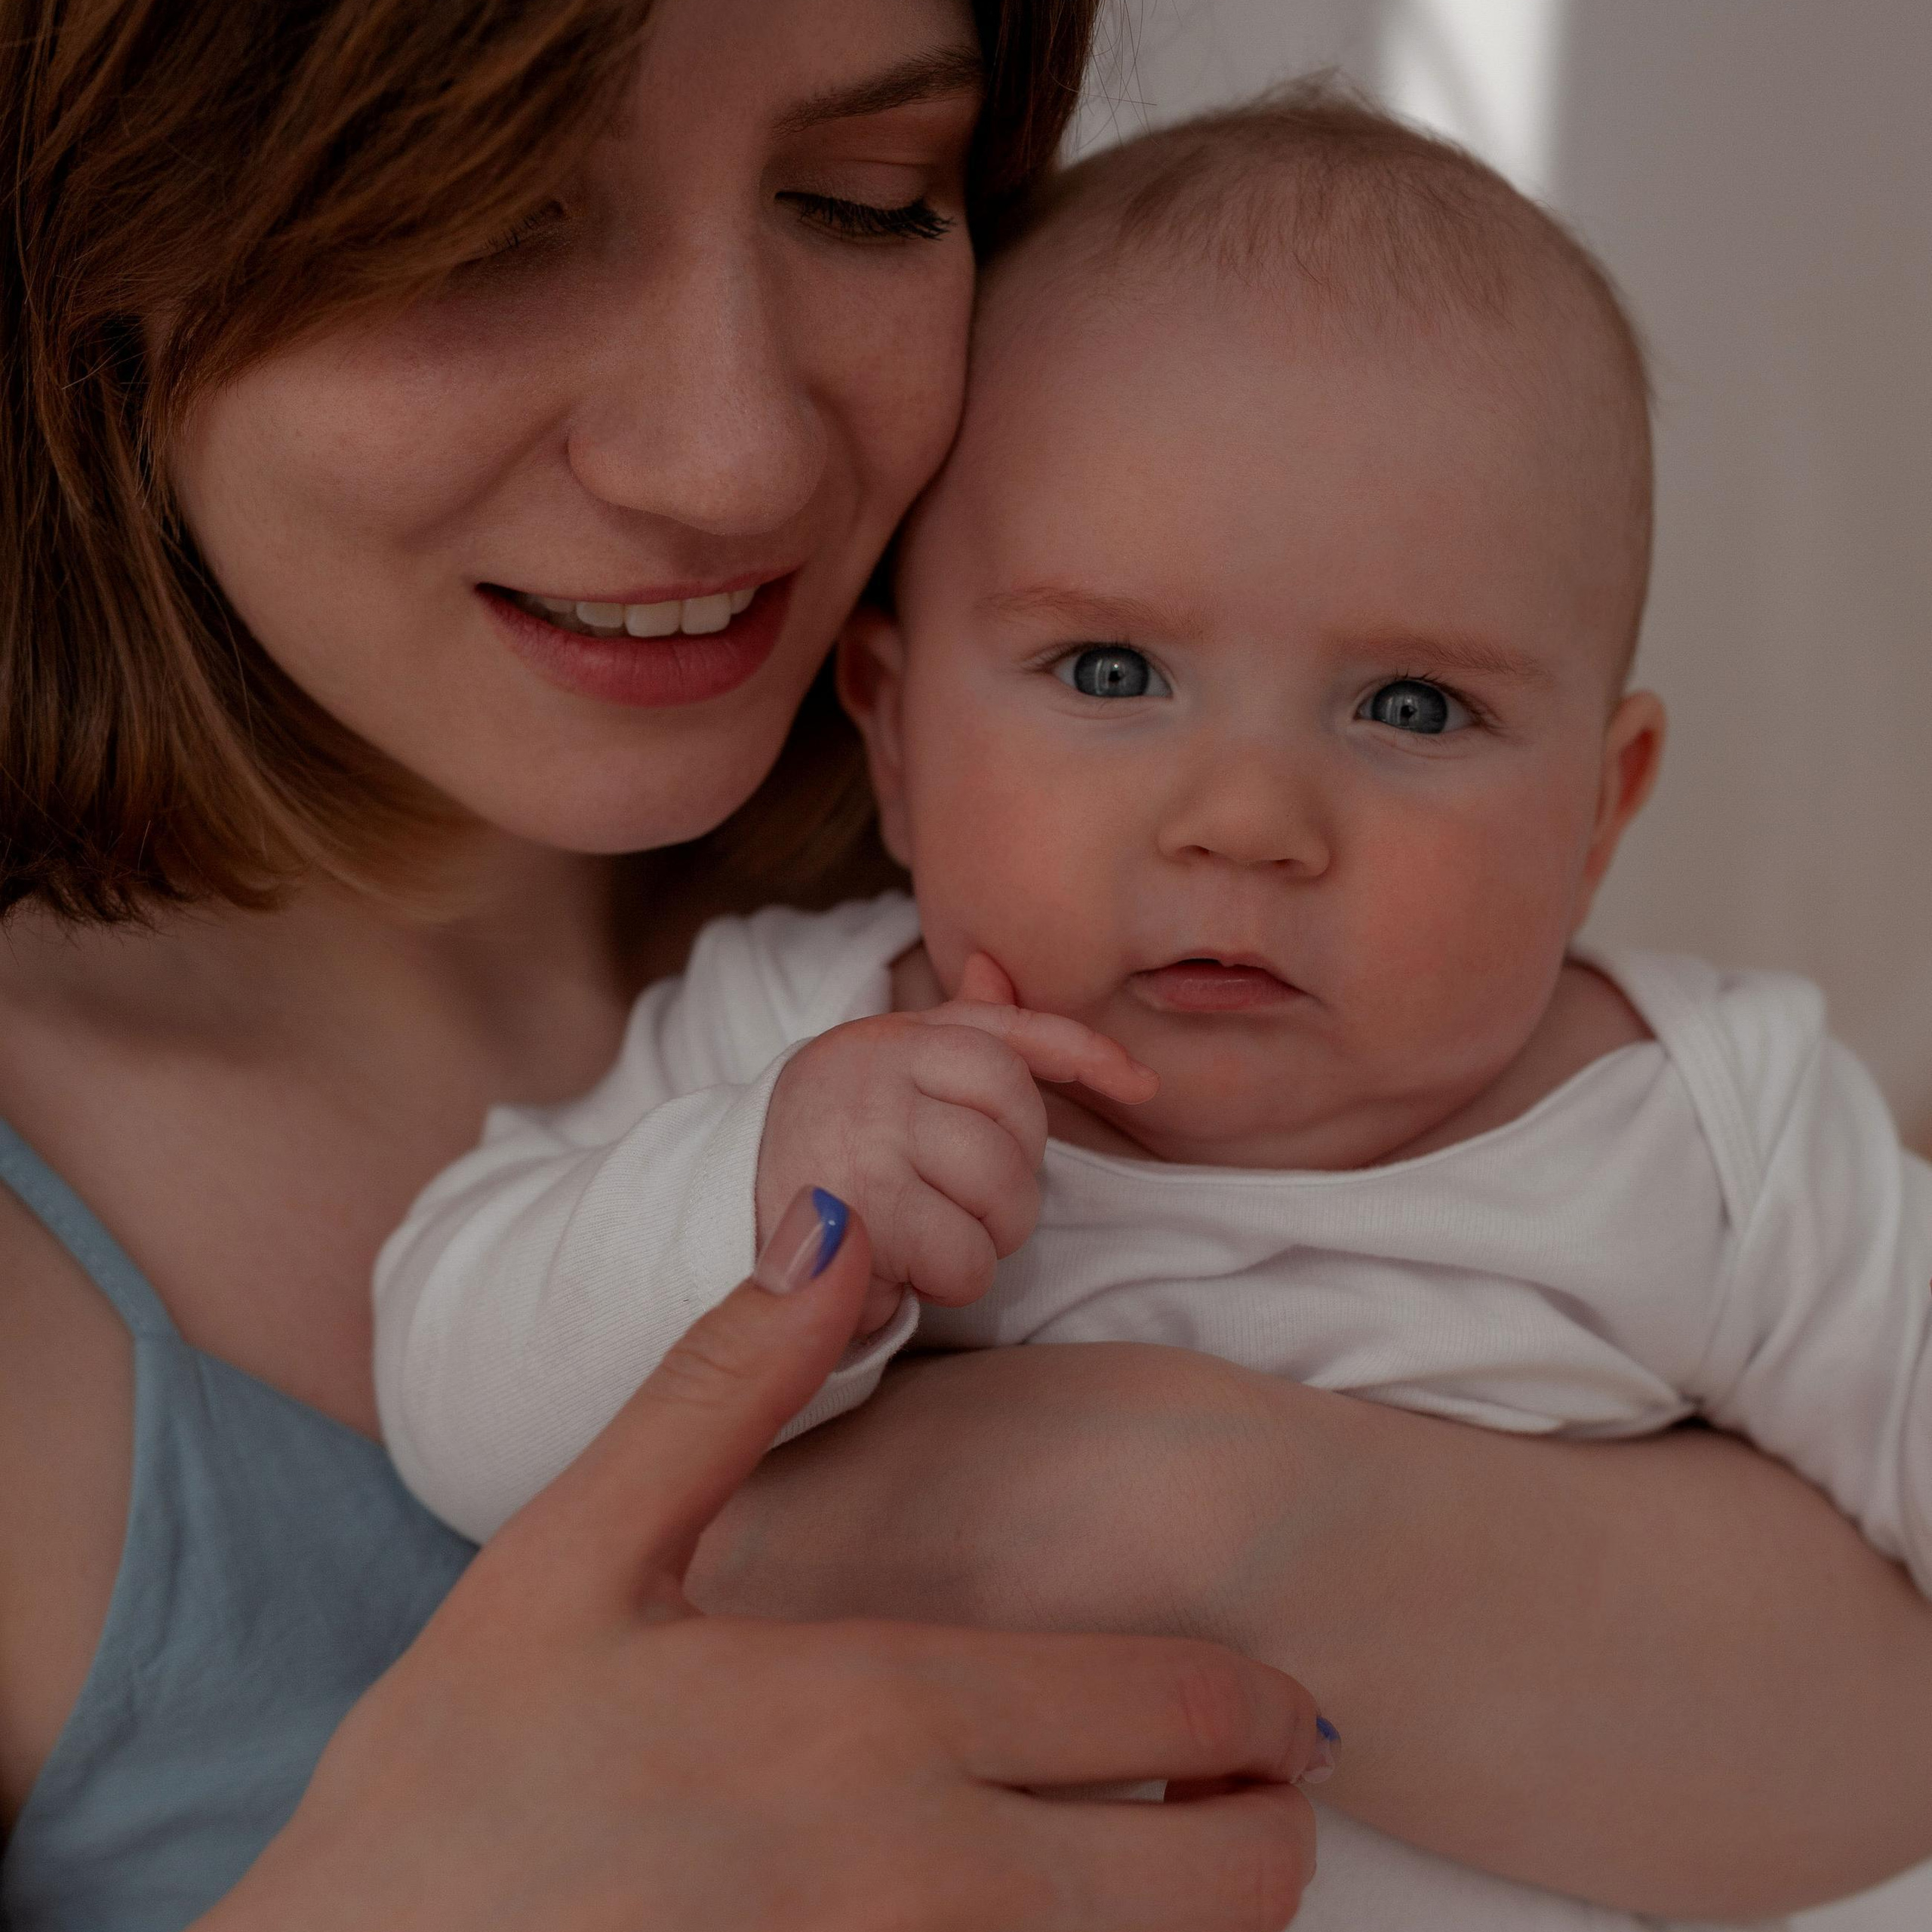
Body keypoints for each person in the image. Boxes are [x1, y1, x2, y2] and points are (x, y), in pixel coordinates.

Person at [1, 0, 1929, 1926]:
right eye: (490, 220)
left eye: (863, 199)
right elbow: (482, 1365)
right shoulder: (803, 1037)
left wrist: (1169, 1510)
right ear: (98, 241)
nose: (730, 460)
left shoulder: (1675, 1094)